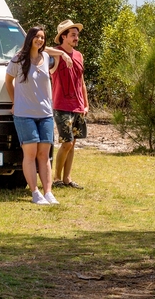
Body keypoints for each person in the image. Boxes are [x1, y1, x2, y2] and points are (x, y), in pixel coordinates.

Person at [4, 26, 72, 205]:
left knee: (44, 155)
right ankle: (35, 193)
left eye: (42, 37)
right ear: (30, 38)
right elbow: (8, 81)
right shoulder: (18, 59)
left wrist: (63, 55)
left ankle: (48, 192)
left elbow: (51, 50)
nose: (40, 40)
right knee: (31, 153)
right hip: (24, 114)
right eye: (36, 37)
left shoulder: (47, 57)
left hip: (45, 114)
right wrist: (14, 101)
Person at [51, 19, 88, 189]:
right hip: (61, 105)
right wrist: (61, 54)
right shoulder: (54, 54)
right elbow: (35, 49)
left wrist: (85, 104)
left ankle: (67, 178)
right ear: (63, 37)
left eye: (77, 35)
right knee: (66, 142)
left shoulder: (79, 55)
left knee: (73, 143)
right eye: (72, 35)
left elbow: (81, 82)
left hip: (78, 106)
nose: (76, 38)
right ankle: (56, 178)